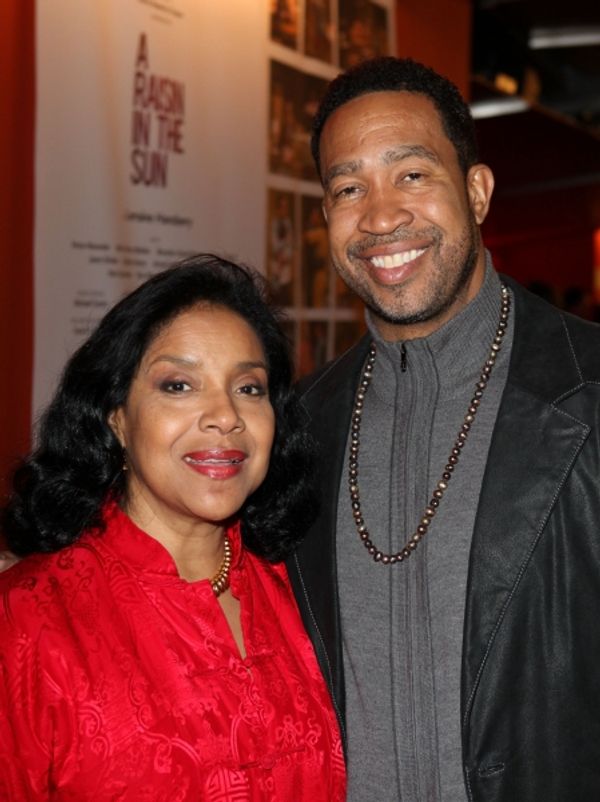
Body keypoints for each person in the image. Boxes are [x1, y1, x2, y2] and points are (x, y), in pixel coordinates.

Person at [285, 56, 600, 802]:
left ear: (478, 192)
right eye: (348, 188)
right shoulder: (296, 430)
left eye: (413, 174)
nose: (382, 215)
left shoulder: (588, 395)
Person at [0, 254, 346, 801]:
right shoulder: (27, 622)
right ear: (116, 415)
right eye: (179, 385)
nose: (225, 415)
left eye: (249, 388)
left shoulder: (302, 585)